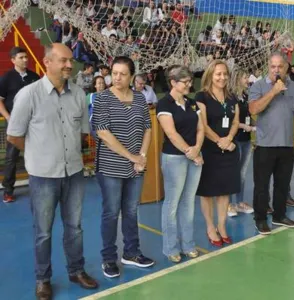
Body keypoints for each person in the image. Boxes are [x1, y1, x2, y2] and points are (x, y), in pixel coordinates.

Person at [6, 43, 98, 300]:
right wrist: (37, 154)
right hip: (43, 176)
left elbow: (82, 132)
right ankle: (42, 279)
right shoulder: (28, 94)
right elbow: (14, 135)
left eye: (71, 60)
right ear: (47, 62)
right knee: (43, 231)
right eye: (64, 60)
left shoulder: (79, 94)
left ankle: (76, 270)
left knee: (75, 228)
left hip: (75, 173)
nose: (70, 64)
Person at [92, 56, 154, 278]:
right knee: (110, 213)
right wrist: (132, 156)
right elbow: (102, 131)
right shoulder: (102, 99)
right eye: (114, 73)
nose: (117, 77)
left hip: (136, 167)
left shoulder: (139, 99)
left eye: (122, 74)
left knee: (131, 210)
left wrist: (143, 156)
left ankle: (132, 253)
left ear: (131, 76)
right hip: (110, 167)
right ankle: (108, 259)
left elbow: (147, 128)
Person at [249, 51, 294, 234]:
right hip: (265, 145)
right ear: (268, 67)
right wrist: (273, 92)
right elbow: (253, 109)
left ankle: (279, 215)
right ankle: (260, 219)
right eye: (272, 66)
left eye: (279, 66)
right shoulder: (258, 86)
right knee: (261, 186)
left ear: (286, 68)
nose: (276, 70)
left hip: (287, 145)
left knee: (283, 184)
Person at [156, 65, 204, 263]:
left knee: (189, 202)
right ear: (173, 83)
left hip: (195, 156)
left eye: (190, 81)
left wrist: (197, 149)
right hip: (175, 158)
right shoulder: (164, 104)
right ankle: (170, 247)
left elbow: (201, 129)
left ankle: (188, 244)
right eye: (185, 82)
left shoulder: (193, 104)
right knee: (172, 204)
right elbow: (171, 133)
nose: (189, 85)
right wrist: (190, 152)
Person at [195, 59, 240, 247]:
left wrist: (228, 138)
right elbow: (203, 125)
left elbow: (236, 122)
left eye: (224, 74)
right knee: (208, 192)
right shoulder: (202, 97)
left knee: (224, 191)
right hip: (209, 150)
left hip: (228, 150)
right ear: (210, 76)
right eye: (218, 74)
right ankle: (210, 227)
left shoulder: (232, 98)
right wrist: (219, 141)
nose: (222, 77)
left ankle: (221, 226)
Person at [0, 47, 40, 203]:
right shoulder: (6, 78)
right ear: (13, 60)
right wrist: (9, 117)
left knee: (37, 156)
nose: (25, 60)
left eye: (26, 57)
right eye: (21, 57)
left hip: (34, 124)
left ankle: (38, 188)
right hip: (15, 126)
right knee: (11, 158)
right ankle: (8, 191)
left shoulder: (34, 77)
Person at [228, 68, 254, 217]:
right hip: (236, 139)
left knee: (242, 174)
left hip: (246, 139)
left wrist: (254, 125)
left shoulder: (246, 95)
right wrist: (244, 126)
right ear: (237, 79)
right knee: (233, 172)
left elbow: (248, 115)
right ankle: (229, 204)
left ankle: (239, 202)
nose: (248, 80)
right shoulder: (231, 97)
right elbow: (233, 121)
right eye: (245, 77)